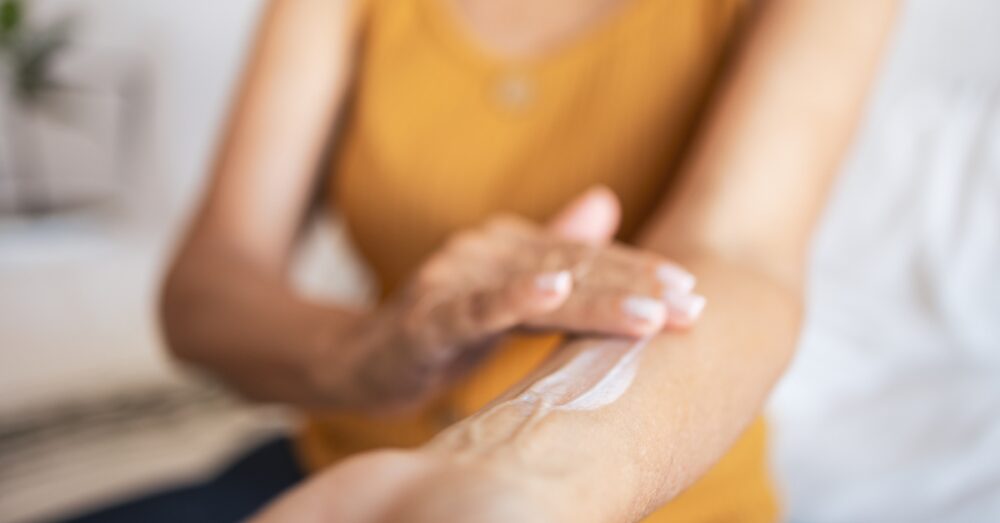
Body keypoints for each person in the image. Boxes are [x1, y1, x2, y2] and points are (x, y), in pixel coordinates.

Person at [66, 1, 897, 521]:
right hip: (346, 473)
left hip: (624, 493)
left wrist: (526, 476)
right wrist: (368, 355)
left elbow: (738, 252)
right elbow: (209, 286)